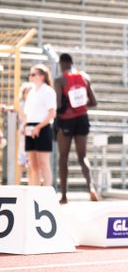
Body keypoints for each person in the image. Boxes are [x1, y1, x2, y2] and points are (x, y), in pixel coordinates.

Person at [54, 53, 99, 204]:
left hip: (66, 121)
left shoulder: (60, 80)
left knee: (63, 158)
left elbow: (59, 106)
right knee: (83, 157)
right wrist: (79, 105)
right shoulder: (85, 77)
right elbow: (93, 102)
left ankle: (64, 195)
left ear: (61, 64)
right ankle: (91, 187)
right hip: (82, 119)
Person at [23, 64, 56, 186]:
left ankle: (47, 192)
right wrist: (24, 126)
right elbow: (28, 113)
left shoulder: (48, 91)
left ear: (42, 76)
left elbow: (52, 113)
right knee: (32, 164)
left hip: (43, 127)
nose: (30, 77)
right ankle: (34, 192)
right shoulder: (31, 92)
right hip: (30, 127)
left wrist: (38, 127)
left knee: (43, 163)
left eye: (33, 74)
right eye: (30, 74)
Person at [18, 82, 33, 179]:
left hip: (32, 130)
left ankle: (31, 183)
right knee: (22, 158)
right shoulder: (22, 104)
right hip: (24, 131)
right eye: (27, 92)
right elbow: (24, 117)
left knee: (31, 162)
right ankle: (17, 181)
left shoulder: (35, 104)